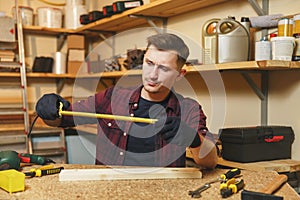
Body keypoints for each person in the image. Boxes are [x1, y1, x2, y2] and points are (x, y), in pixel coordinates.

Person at [36, 33, 218, 168]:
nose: (152, 75)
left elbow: (210, 162)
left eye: (163, 68)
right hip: (109, 188)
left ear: (179, 75)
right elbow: (63, 119)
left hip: (163, 191)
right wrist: (50, 109)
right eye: (149, 63)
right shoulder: (112, 97)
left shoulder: (188, 109)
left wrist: (194, 140)